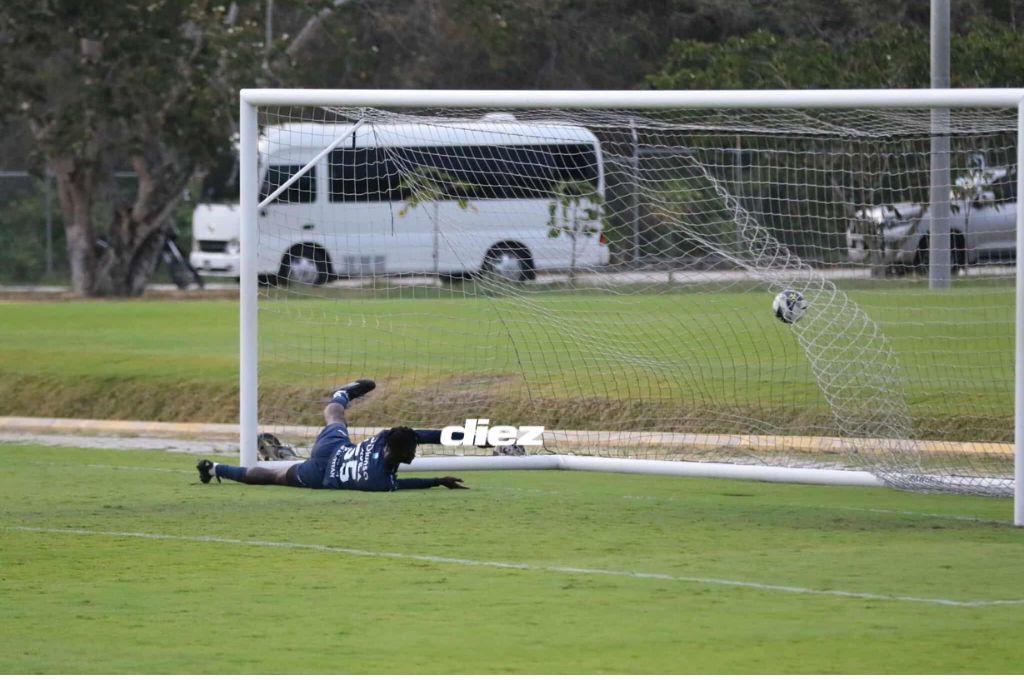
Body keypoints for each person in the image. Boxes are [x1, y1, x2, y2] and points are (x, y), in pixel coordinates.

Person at [196, 379, 468, 491]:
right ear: (398, 453)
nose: (414, 453)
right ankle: (217, 467)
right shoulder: (379, 480)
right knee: (273, 477)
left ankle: (215, 467)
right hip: (323, 475)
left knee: (335, 416)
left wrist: (468, 436)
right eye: (412, 451)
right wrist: (437, 481)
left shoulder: (388, 436)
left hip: (332, 451)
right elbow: (407, 485)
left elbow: (423, 436)